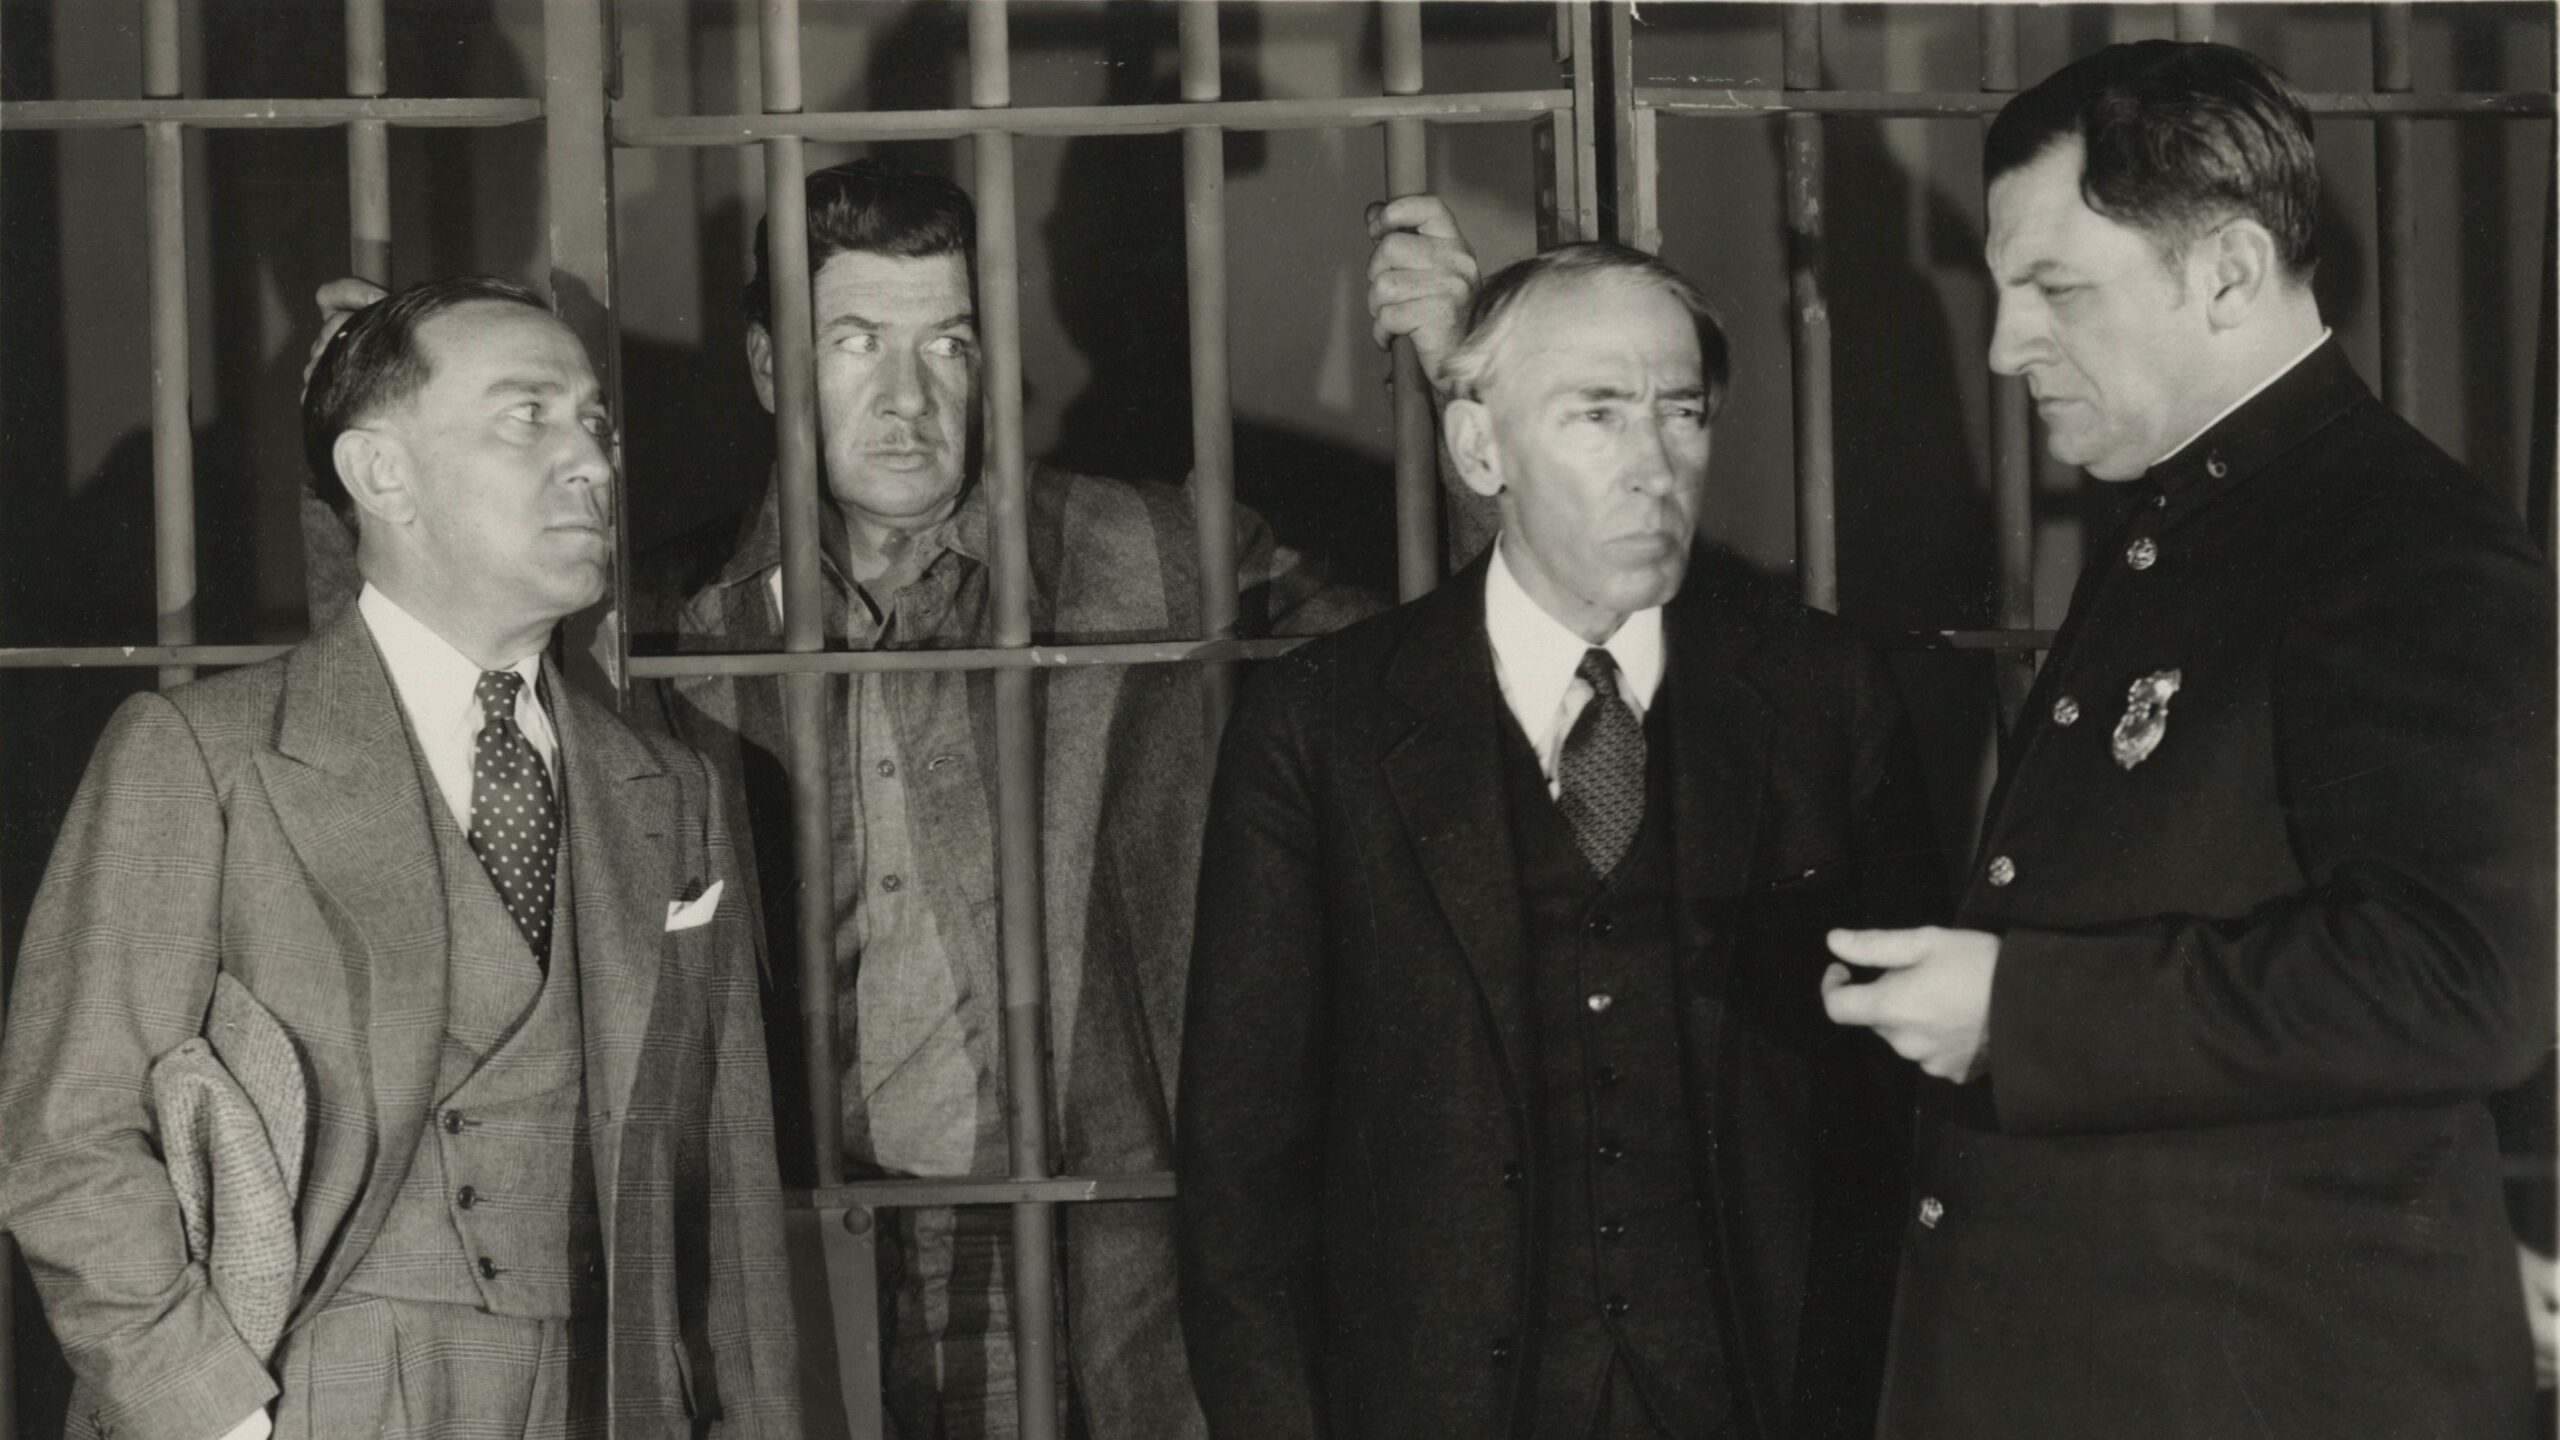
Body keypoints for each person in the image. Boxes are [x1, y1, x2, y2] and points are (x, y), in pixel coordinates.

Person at [1811, 41, 2556, 1438]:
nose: (2004, 345)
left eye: (2056, 289)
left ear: (2226, 272)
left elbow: (2468, 982)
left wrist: (2020, 1013)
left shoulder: (2404, 548)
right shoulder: (2197, 510)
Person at [623, 159, 1377, 1437]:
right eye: (854, 342)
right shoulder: (665, 622)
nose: (907, 396)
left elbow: (1437, 678)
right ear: (767, 367)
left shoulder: (1150, 558)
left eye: (949, 344)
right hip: (800, 1245)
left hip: (1101, 1236)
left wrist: (1469, 389)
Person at [0, 278, 798, 1439]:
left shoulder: (668, 791)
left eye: (596, 424)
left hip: (608, 1396)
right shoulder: (205, 755)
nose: (591, 461)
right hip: (307, 1390)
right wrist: (215, 1416)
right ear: (381, 473)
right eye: (527, 417)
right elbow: (66, 1141)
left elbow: (725, 1184)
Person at [1180, 239, 1943, 1440]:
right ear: (1479, 449)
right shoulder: (1321, 724)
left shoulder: (1820, 697)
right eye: (1596, 415)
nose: (1655, 467)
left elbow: (1903, 1118)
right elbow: (1242, 1172)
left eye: (1681, 413)